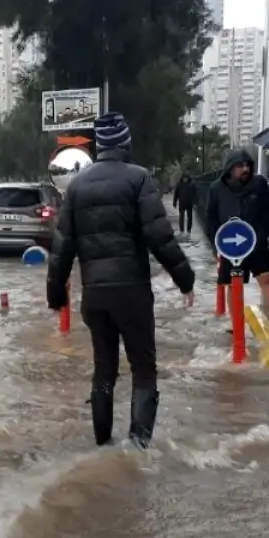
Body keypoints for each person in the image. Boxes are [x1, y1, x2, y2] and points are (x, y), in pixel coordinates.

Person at [46, 112, 195, 449]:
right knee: (143, 368)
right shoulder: (139, 179)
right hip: (132, 293)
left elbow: (61, 248)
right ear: (126, 143)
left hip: (95, 296)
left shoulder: (78, 185)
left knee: (104, 369)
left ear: (99, 147)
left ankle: (102, 446)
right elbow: (160, 237)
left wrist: (56, 297)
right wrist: (184, 279)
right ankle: (138, 450)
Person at [204, 149, 269, 340]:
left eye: (247, 165)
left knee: (266, 281)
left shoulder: (259, 183)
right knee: (231, 284)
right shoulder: (216, 188)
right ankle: (235, 325)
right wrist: (216, 246)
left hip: (255, 243)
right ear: (229, 168)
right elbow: (211, 219)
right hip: (229, 246)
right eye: (240, 165)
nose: (245, 169)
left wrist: (262, 236)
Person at [172, 173, 197, 237]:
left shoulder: (192, 184)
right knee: (181, 217)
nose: (185, 180)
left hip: (189, 203)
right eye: (184, 178)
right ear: (182, 178)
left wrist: (195, 203)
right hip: (181, 203)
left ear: (188, 178)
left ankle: (189, 230)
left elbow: (195, 194)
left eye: (186, 178)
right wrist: (174, 202)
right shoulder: (179, 184)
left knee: (190, 217)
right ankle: (181, 230)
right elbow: (176, 194)